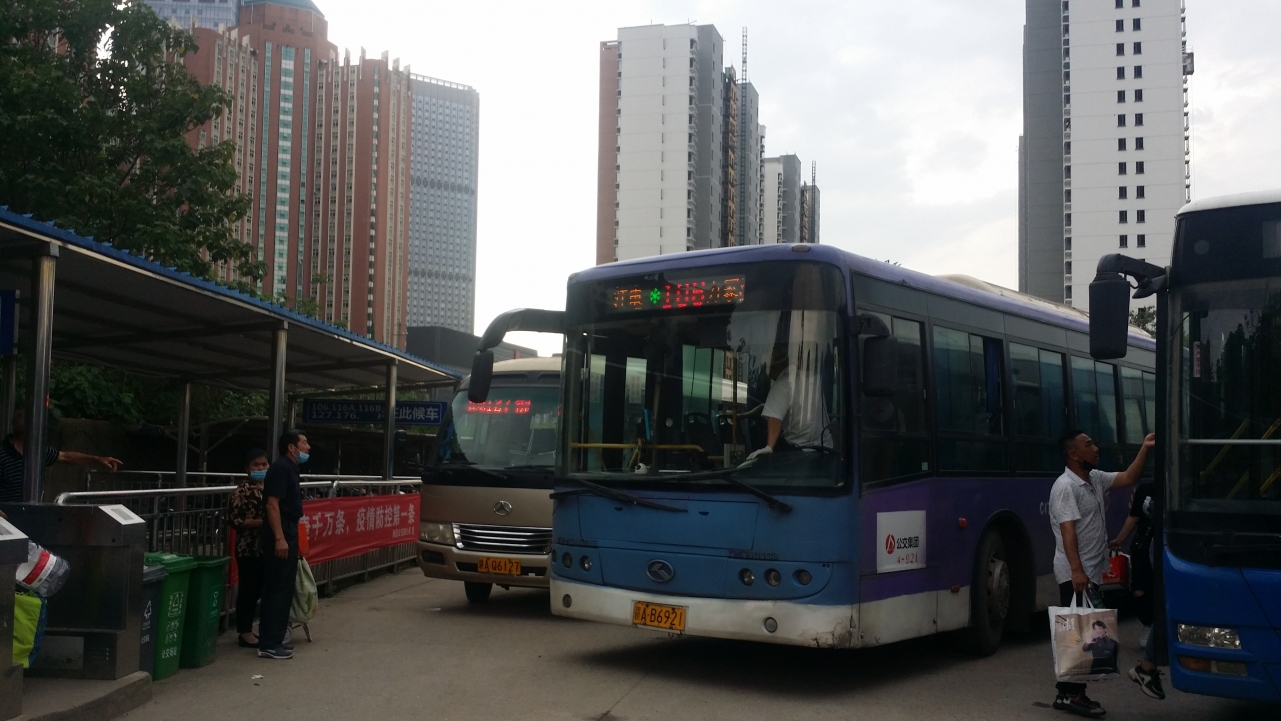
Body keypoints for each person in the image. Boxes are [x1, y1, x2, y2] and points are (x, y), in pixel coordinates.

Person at [1049, 429, 1164, 717]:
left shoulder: (1096, 479)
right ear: (1074, 454)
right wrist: (1077, 570)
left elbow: (1128, 477)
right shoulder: (1065, 487)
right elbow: (1067, 531)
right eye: (1089, 444)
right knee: (1075, 634)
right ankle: (1069, 694)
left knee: (1083, 632)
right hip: (1075, 572)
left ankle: (1071, 693)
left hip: (1090, 570)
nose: (1096, 448)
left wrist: (1145, 448)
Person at [258, 430, 309, 660]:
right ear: (291, 447)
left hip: (289, 529)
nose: (308, 447)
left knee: (284, 586)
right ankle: (269, 642)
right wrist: (279, 537)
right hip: (281, 531)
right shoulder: (281, 468)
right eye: (304, 443)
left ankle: (275, 639)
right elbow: (272, 504)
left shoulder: (290, 468)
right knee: (277, 588)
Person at [0, 410, 122, 503]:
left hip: (28, 512)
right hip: (6, 515)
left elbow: (66, 456)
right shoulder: (3, 453)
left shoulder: (37, 451)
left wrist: (97, 459)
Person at [747, 347, 831, 460]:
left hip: (800, 453)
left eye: (766, 368)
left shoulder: (781, 384)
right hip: (826, 449)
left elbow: (774, 418)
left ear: (772, 367)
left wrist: (769, 447)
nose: (767, 373)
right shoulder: (812, 378)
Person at [229, 449, 270, 649]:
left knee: (261, 588)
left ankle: (252, 628)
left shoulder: (268, 487)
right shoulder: (242, 491)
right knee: (248, 590)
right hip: (249, 548)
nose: (261, 468)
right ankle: (244, 632)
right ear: (248, 468)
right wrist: (263, 523)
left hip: (266, 547)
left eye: (264, 464)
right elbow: (235, 520)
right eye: (256, 465)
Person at [1110, 483, 1156, 651]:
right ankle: (1148, 624)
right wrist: (1119, 540)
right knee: (1139, 590)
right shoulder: (1144, 489)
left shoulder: (1178, 486)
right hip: (1143, 546)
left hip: (1165, 545)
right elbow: (1134, 517)